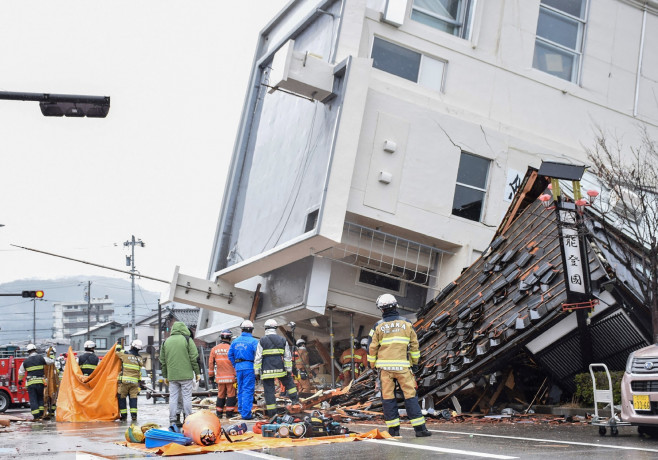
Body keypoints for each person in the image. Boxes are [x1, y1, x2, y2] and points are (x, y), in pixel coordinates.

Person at [367, 294, 431, 437]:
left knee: (388, 399)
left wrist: (372, 365)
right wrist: (415, 364)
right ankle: (420, 430)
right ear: (396, 306)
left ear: (381, 309)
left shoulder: (377, 326)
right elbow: (415, 346)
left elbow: (371, 348)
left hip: (385, 370)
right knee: (410, 396)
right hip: (403, 368)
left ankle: (394, 431)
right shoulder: (407, 323)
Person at [254, 319, 300, 417]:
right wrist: (288, 369)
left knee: (269, 392)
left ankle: (272, 414)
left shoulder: (262, 340)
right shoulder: (282, 340)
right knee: (289, 384)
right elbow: (287, 356)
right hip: (280, 369)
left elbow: (258, 357)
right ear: (275, 328)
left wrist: (257, 371)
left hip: (267, 371)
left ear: (266, 328)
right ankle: (295, 401)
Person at [160, 321, 200, 427]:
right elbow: (194, 357)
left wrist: (165, 375)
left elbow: (163, 361)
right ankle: (188, 418)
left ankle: (173, 420)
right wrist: (197, 372)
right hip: (186, 375)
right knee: (186, 397)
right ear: (184, 329)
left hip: (172, 376)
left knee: (173, 397)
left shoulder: (166, 342)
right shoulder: (187, 340)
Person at [228, 320, 259, 419]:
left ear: (242, 330)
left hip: (239, 368)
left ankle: (242, 411)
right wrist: (257, 369)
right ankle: (246, 414)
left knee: (240, 389)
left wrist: (235, 365)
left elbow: (230, 354)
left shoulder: (235, 341)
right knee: (248, 390)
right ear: (252, 330)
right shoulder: (254, 341)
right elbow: (258, 356)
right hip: (249, 367)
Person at [18, 344, 54, 421]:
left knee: (33, 399)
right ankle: (41, 413)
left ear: (28, 352)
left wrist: (20, 380)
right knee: (40, 398)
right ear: (35, 350)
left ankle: (36, 416)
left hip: (31, 383)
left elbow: (21, 372)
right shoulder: (41, 358)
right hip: (40, 382)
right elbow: (51, 362)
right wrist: (51, 356)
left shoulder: (25, 362)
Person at [208, 329, 237, 419]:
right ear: (230, 338)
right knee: (231, 395)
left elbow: (211, 363)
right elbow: (236, 363)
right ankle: (229, 413)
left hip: (220, 378)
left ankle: (219, 413)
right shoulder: (232, 348)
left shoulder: (214, 349)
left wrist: (211, 376)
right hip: (231, 377)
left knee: (220, 394)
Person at [116, 339, 145, 421]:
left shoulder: (125, 354)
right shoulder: (140, 358)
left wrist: (118, 343)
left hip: (125, 382)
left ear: (132, 345)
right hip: (134, 382)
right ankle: (134, 416)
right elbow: (139, 370)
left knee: (121, 397)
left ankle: (124, 416)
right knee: (133, 398)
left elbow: (117, 352)